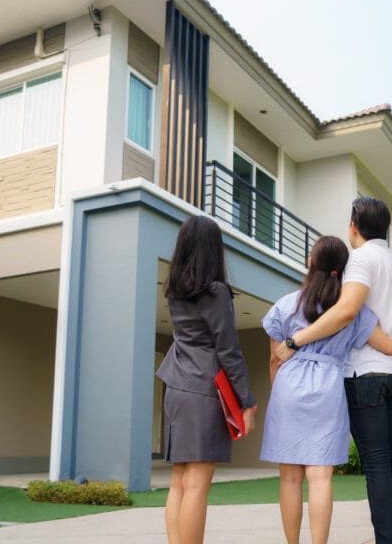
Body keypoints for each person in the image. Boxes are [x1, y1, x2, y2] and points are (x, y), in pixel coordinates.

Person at [276, 197, 392, 544]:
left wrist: (296, 341)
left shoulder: (360, 260)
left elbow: (345, 312)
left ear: (353, 227)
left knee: (377, 466)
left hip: (367, 374)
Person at [157, 215, 256, 544]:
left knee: (179, 480)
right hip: (203, 390)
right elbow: (229, 351)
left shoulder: (175, 291)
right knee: (198, 482)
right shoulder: (215, 292)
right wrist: (247, 402)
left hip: (176, 385)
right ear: (214, 250)